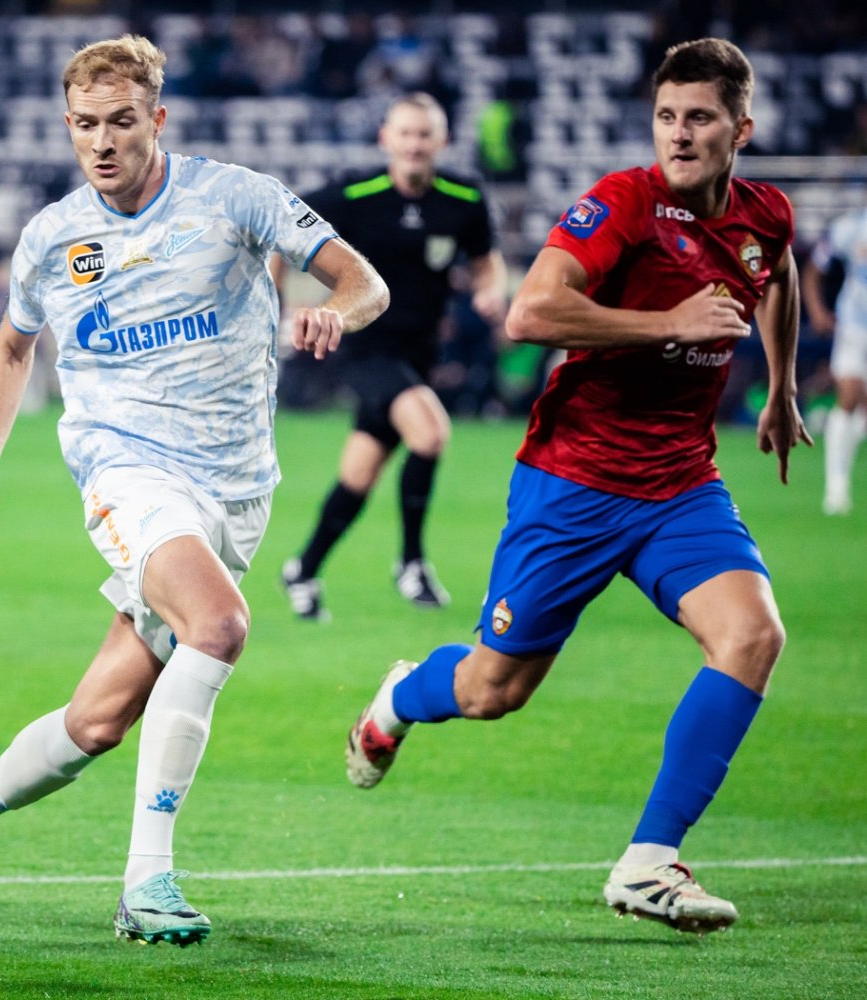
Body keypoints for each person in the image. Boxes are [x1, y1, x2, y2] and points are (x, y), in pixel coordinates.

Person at [0, 34, 388, 946]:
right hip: (126, 470)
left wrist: (333, 312)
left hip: (237, 485)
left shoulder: (236, 197)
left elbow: (364, 281)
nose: (102, 142)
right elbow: (10, 349)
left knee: (99, 721)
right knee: (220, 625)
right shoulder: (52, 237)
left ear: (158, 117)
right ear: (67, 125)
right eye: (85, 125)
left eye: (121, 122)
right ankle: (146, 882)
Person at [343, 38, 810, 934]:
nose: (679, 134)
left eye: (700, 118)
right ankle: (401, 696)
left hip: (681, 483)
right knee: (492, 691)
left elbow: (777, 269)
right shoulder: (623, 203)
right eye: (666, 116)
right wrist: (666, 322)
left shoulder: (765, 215)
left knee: (753, 635)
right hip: (575, 483)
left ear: (741, 130)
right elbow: (529, 312)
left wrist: (782, 386)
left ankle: (649, 862)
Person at [275, 93, 506, 618]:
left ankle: (303, 570)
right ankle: (411, 561)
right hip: (362, 345)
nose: (414, 144)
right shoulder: (356, 193)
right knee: (430, 433)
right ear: (386, 138)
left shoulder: (464, 199)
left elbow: (485, 258)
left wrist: (490, 290)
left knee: (358, 475)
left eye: (425, 134)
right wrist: (275, 299)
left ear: (442, 140)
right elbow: (280, 222)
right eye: (405, 133)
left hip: (419, 353)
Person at [802, 204, 867, 515]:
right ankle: (836, 487)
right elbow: (814, 268)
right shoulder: (851, 227)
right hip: (854, 327)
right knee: (849, 396)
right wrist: (816, 310)